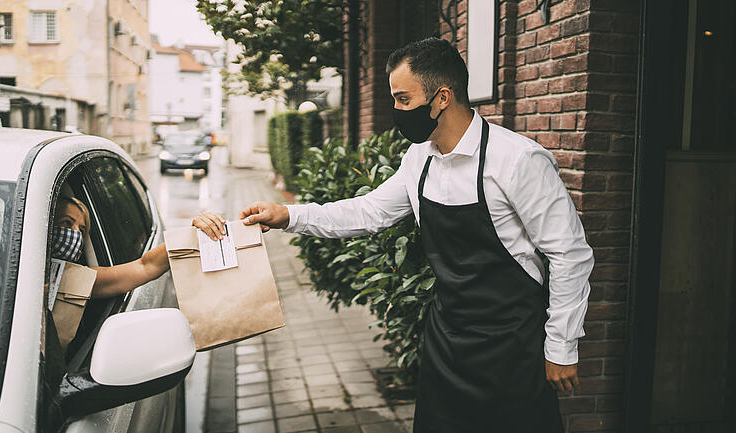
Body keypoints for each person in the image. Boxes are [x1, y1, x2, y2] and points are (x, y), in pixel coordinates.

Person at [236, 38, 593, 432]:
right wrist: (288, 215)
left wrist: (561, 346)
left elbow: (570, 255)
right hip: (448, 340)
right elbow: (369, 210)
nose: (396, 111)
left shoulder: (518, 161)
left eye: (403, 99)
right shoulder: (419, 158)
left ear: (441, 97)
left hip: (513, 346)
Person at [51, 197, 227, 299]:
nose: (74, 234)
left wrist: (190, 235)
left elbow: (145, 266)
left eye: (81, 230)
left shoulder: (74, 279)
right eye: (66, 224)